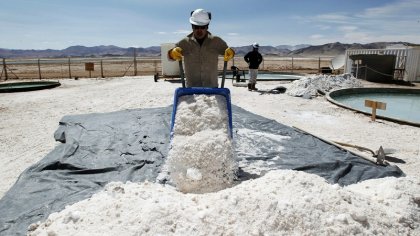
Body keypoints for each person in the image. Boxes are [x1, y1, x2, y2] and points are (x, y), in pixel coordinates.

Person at [167, 8, 235, 87]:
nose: (199, 30)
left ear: (207, 27)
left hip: (212, 89)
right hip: (191, 90)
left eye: (202, 27)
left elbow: (229, 52)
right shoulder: (184, 42)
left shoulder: (217, 41)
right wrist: (172, 53)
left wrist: (231, 53)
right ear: (192, 26)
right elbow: (169, 57)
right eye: (196, 27)